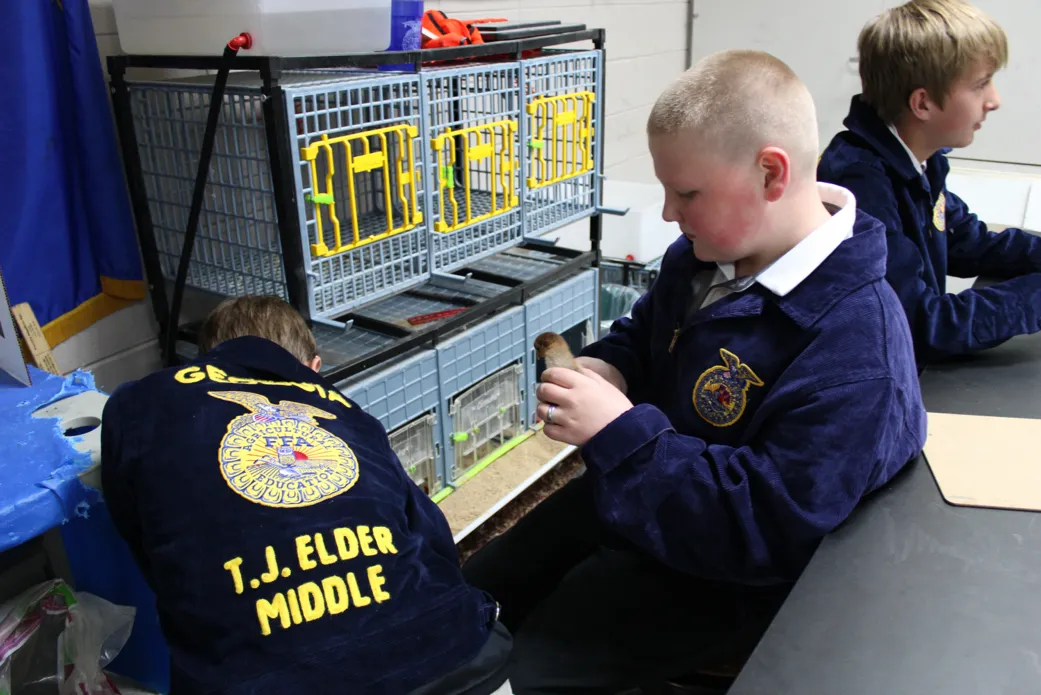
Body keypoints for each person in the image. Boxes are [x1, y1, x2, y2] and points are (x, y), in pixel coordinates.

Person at [462, 49, 927, 693]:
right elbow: (647, 331)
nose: (668, 214)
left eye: (686, 193)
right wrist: (614, 369)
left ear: (771, 173)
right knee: (466, 598)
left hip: (729, 571)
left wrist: (619, 434)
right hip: (649, 491)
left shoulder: (856, 351)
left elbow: (768, 526)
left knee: (520, 675)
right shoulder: (705, 256)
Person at [101, 296, 512, 695]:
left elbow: (138, 531)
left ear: (206, 359)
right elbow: (434, 538)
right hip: (447, 655)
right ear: (315, 368)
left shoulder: (139, 402)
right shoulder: (349, 412)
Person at [817, 0, 1041, 372]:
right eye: (981, 84)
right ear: (922, 103)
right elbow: (920, 325)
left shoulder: (921, 158)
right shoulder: (860, 182)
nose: (994, 100)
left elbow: (962, 240)